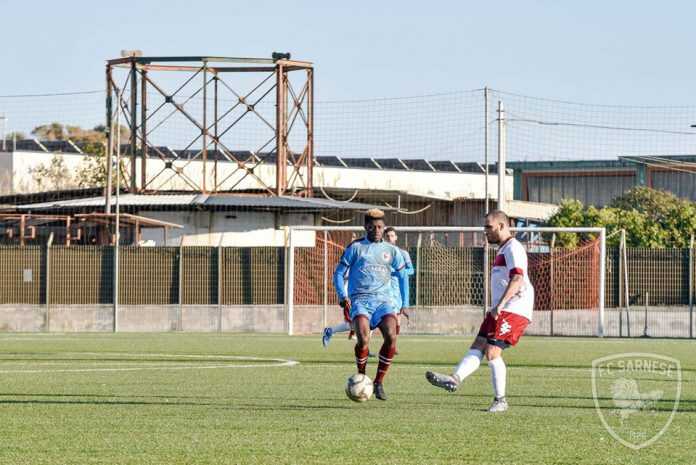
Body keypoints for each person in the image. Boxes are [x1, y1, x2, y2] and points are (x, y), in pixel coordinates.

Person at [425, 210, 534, 413]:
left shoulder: (513, 248)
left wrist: (500, 305)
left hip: (514, 308)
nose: (485, 231)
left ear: (502, 226)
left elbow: (518, 278)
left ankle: (500, 400)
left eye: (488, 227)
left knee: (492, 351)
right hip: (502, 309)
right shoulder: (503, 249)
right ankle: (455, 378)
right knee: (479, 344)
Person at [333, 209, 410, 401]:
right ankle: (362, 375)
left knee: (391, 335)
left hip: (383, 302)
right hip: (360, 301)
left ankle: (378, 382)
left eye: (380, 227)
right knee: (363, 339)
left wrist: (405, 303)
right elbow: (338, 273)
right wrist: (342, 295)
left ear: (383, 228)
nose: (377, 230)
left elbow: (403, 276)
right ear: (365, 227)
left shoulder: (391, 250)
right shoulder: (356, 248)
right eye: (373, 227)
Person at [384, 226, 415, 347]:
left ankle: (393, 344)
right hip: (383, 288)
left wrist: (397, 273)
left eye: (392, 236)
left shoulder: (403, 253)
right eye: (387, 236)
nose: (389, 238)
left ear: (396, 237)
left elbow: (411, 270)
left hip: (397, 289)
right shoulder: (380, 253)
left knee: (397, 317)